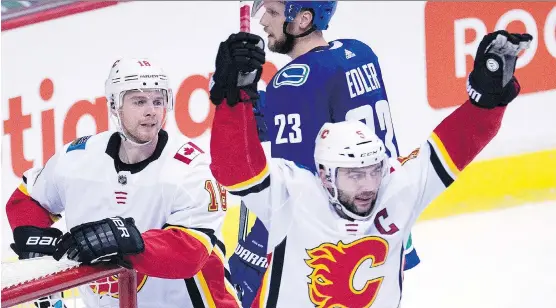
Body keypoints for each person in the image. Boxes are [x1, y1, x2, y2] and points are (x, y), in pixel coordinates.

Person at [208, 28, 532, 307]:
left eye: (373, 170)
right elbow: (234, 168)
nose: (367, 186)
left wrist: (487, 102)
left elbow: (455, 145)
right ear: (324, 176)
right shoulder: (295, 196)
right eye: (353, 174)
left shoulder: (394, 188)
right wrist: (231, 99)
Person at [223, 1, 418, 305]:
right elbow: (321, 110)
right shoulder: (358, 53)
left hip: (332, 236)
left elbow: (294, 186)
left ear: (302, 20)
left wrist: (234, 101)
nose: (263, 22)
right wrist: (251, 102)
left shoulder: (293, 81)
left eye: (273, 13)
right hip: (383, 216)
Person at [6, 58, 240, 308]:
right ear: (114, 106)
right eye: (139, 101)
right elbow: (26, 199)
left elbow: (190, 253)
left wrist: (124, 239)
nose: (152, 111)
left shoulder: (192, 169)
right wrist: (37, 240)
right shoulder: (77, 158)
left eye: (158, 101)